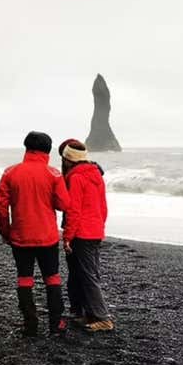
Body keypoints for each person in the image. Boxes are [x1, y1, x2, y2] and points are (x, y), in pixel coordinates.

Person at [0, 131, 71, 336]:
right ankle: (56, 324)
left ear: (26, 148)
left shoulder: (10, 173)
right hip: (47, 236)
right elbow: (64, 204)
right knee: (52, 277)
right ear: (47, 151)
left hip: (20, 235)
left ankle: (30, 324)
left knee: (24, 278)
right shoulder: (53, 174)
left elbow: (1, 207)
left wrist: (5, 232)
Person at [59, 138, 114, 332]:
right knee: (85, 273)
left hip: (81, 233)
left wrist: (67, 237)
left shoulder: (75, 177)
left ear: (68, 159)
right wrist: (100, 225)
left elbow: (74, 211)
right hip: (95, 229)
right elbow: (103, 206)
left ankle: (102, 317)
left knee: (88, 275)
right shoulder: (96, 174)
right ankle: (87, 313)